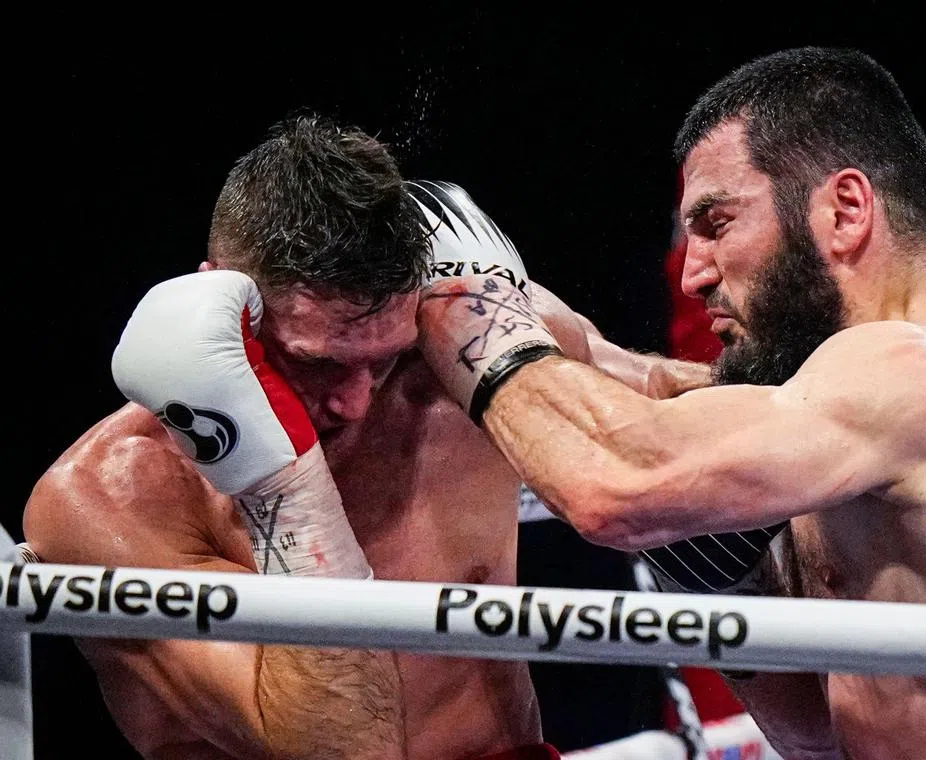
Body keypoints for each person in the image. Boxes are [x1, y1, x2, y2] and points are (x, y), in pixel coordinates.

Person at [414, 47, 926, 760]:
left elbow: (614, 482)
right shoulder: (845, 423)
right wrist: (531, 311)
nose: (693, 273)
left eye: (717, 223)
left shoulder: (923, 369)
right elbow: (815, 732)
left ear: (845, 211)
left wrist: (471, 316)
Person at [21, 113, 707, 760]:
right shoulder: (111, 498)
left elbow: (676, 400)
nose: (353, 401)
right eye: (316, 361)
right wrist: (279, 478)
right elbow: (342, 746)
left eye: (383, 358)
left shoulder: (459, 356)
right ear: (223, 305)